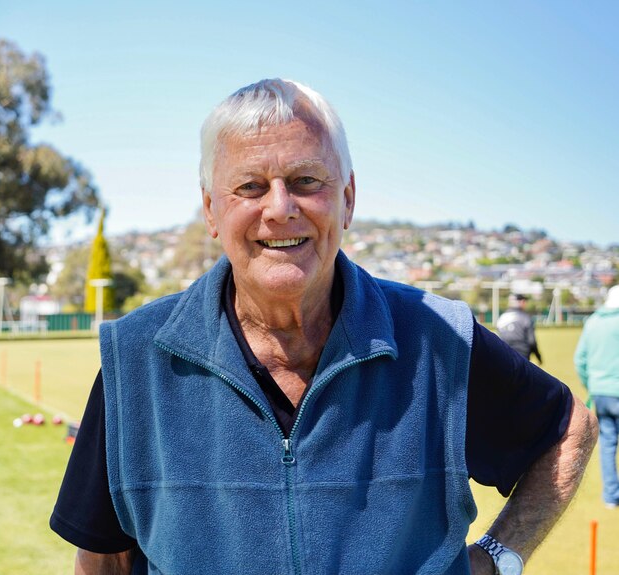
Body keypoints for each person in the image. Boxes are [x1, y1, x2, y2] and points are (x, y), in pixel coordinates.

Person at [51, 79, 596, 575]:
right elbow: (102, 563)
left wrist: (497, 559)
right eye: (250, 187)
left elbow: (569, 429)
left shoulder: (437, 338)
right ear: (212, 211)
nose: (280, 208)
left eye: (306, 180)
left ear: (347, 199)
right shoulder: (135, 358)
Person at [574, 285, 619, 508]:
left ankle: (611, 496)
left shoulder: (593, 322)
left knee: (608, 444)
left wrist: (592, 384)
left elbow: (580, 359)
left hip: (601, 392)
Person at [496, 293, 542, 363]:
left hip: (504, 356)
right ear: (521, 302)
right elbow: (532, 341)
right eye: (524, 301)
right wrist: (538, 357)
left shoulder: (502, 317)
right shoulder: (525, 317)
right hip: (522, 357)